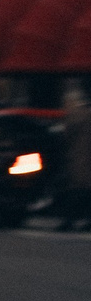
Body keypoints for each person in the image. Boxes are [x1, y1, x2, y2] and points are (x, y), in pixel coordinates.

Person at [59, 81, 91, 233]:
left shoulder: (77, 115)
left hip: (79, 157)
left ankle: (70, 221)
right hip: (83, 157)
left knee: (76, 190)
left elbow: (66, 135)